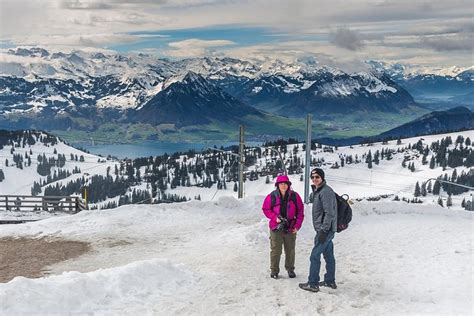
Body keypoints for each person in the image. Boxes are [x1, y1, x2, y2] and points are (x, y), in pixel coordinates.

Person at [299, 168, 338, 292]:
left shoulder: (325, 192)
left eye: (317, 177)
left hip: (325, 230)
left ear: (322, 177)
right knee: (329, 255)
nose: (315, 179)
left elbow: (329, 213)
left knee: (314, 256)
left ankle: (313, 283)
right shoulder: (319, 190)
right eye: (313, 177)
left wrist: (324, 230)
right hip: (324, 229)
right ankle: (330, 280)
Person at [262, 175, 304, 279]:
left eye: (286, 184)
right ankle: (274, 271)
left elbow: (300, 212)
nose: (283, 185)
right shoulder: (272, 196)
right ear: (277, 185)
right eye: (281, 184)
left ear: (289, 185)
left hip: (290, 227)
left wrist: (297, 226)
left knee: (290, 250)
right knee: (276, 250)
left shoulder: (295, 196)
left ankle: (290, 269)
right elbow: (265, 209)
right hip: (276, 227)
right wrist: (274, 218)